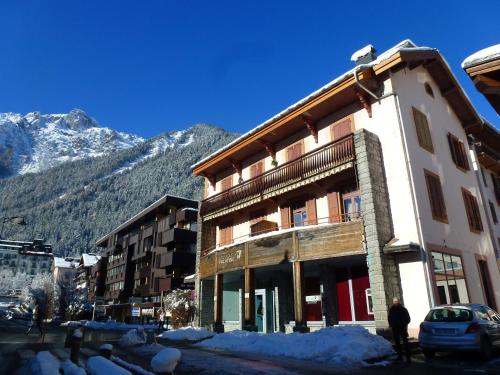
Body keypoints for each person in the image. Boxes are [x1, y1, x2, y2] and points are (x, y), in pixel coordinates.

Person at [388, 297, 411, 363]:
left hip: (402, 328)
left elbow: (408, 319)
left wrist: (403, 324)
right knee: (397, 343)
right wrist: (391, 325)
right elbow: (389, 318)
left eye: (396, 301)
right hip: (395, 328)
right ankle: (399, 356)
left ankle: (408, 357)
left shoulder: (403, 309)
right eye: (394, 301)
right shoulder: (392, 310)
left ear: (399, 301)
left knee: (405, 342)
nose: (395, 302)